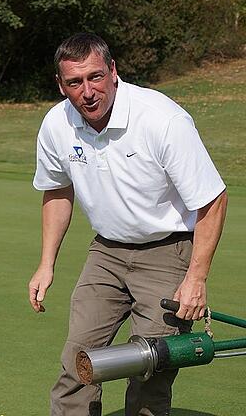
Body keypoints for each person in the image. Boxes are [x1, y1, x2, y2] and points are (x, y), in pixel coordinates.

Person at [28, 32, 228, 416]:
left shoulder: (162, 119)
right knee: (78, 362)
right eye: (75, 82)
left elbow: (213, 199)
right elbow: (56, 191)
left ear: (113, 71)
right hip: (106, 251)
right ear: (61, 84)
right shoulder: (57, 124)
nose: (87, 92)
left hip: (167, 252)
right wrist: (46, 262)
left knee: (149, 371)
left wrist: (196, 278)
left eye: (95, 77)